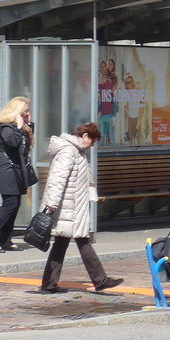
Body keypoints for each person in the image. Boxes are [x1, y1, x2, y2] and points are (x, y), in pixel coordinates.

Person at [38, 122, 122, 294]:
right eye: (93, 141)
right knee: (81, 241)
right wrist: (52, 204)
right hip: (69, 206)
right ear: (85, 136)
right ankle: (100, 280)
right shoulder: (69, 151)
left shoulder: (77, 151)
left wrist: (93, 196)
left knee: (62, 243)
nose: (92, 145)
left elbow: (85, 179)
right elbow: (57, 178)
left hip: (73, 205)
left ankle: (49, 283)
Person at [0, 96, 36, 253]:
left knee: (15, 205)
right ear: (17, 112)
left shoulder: (17, 126)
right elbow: (13, 143)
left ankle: (6, 240)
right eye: (25, 111)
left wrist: (28, 126)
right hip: (5, 170)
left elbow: (26, 146)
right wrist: (21, 127)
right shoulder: (5, 127)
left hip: (15, 170)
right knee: (10, 204)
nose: (28, 113)